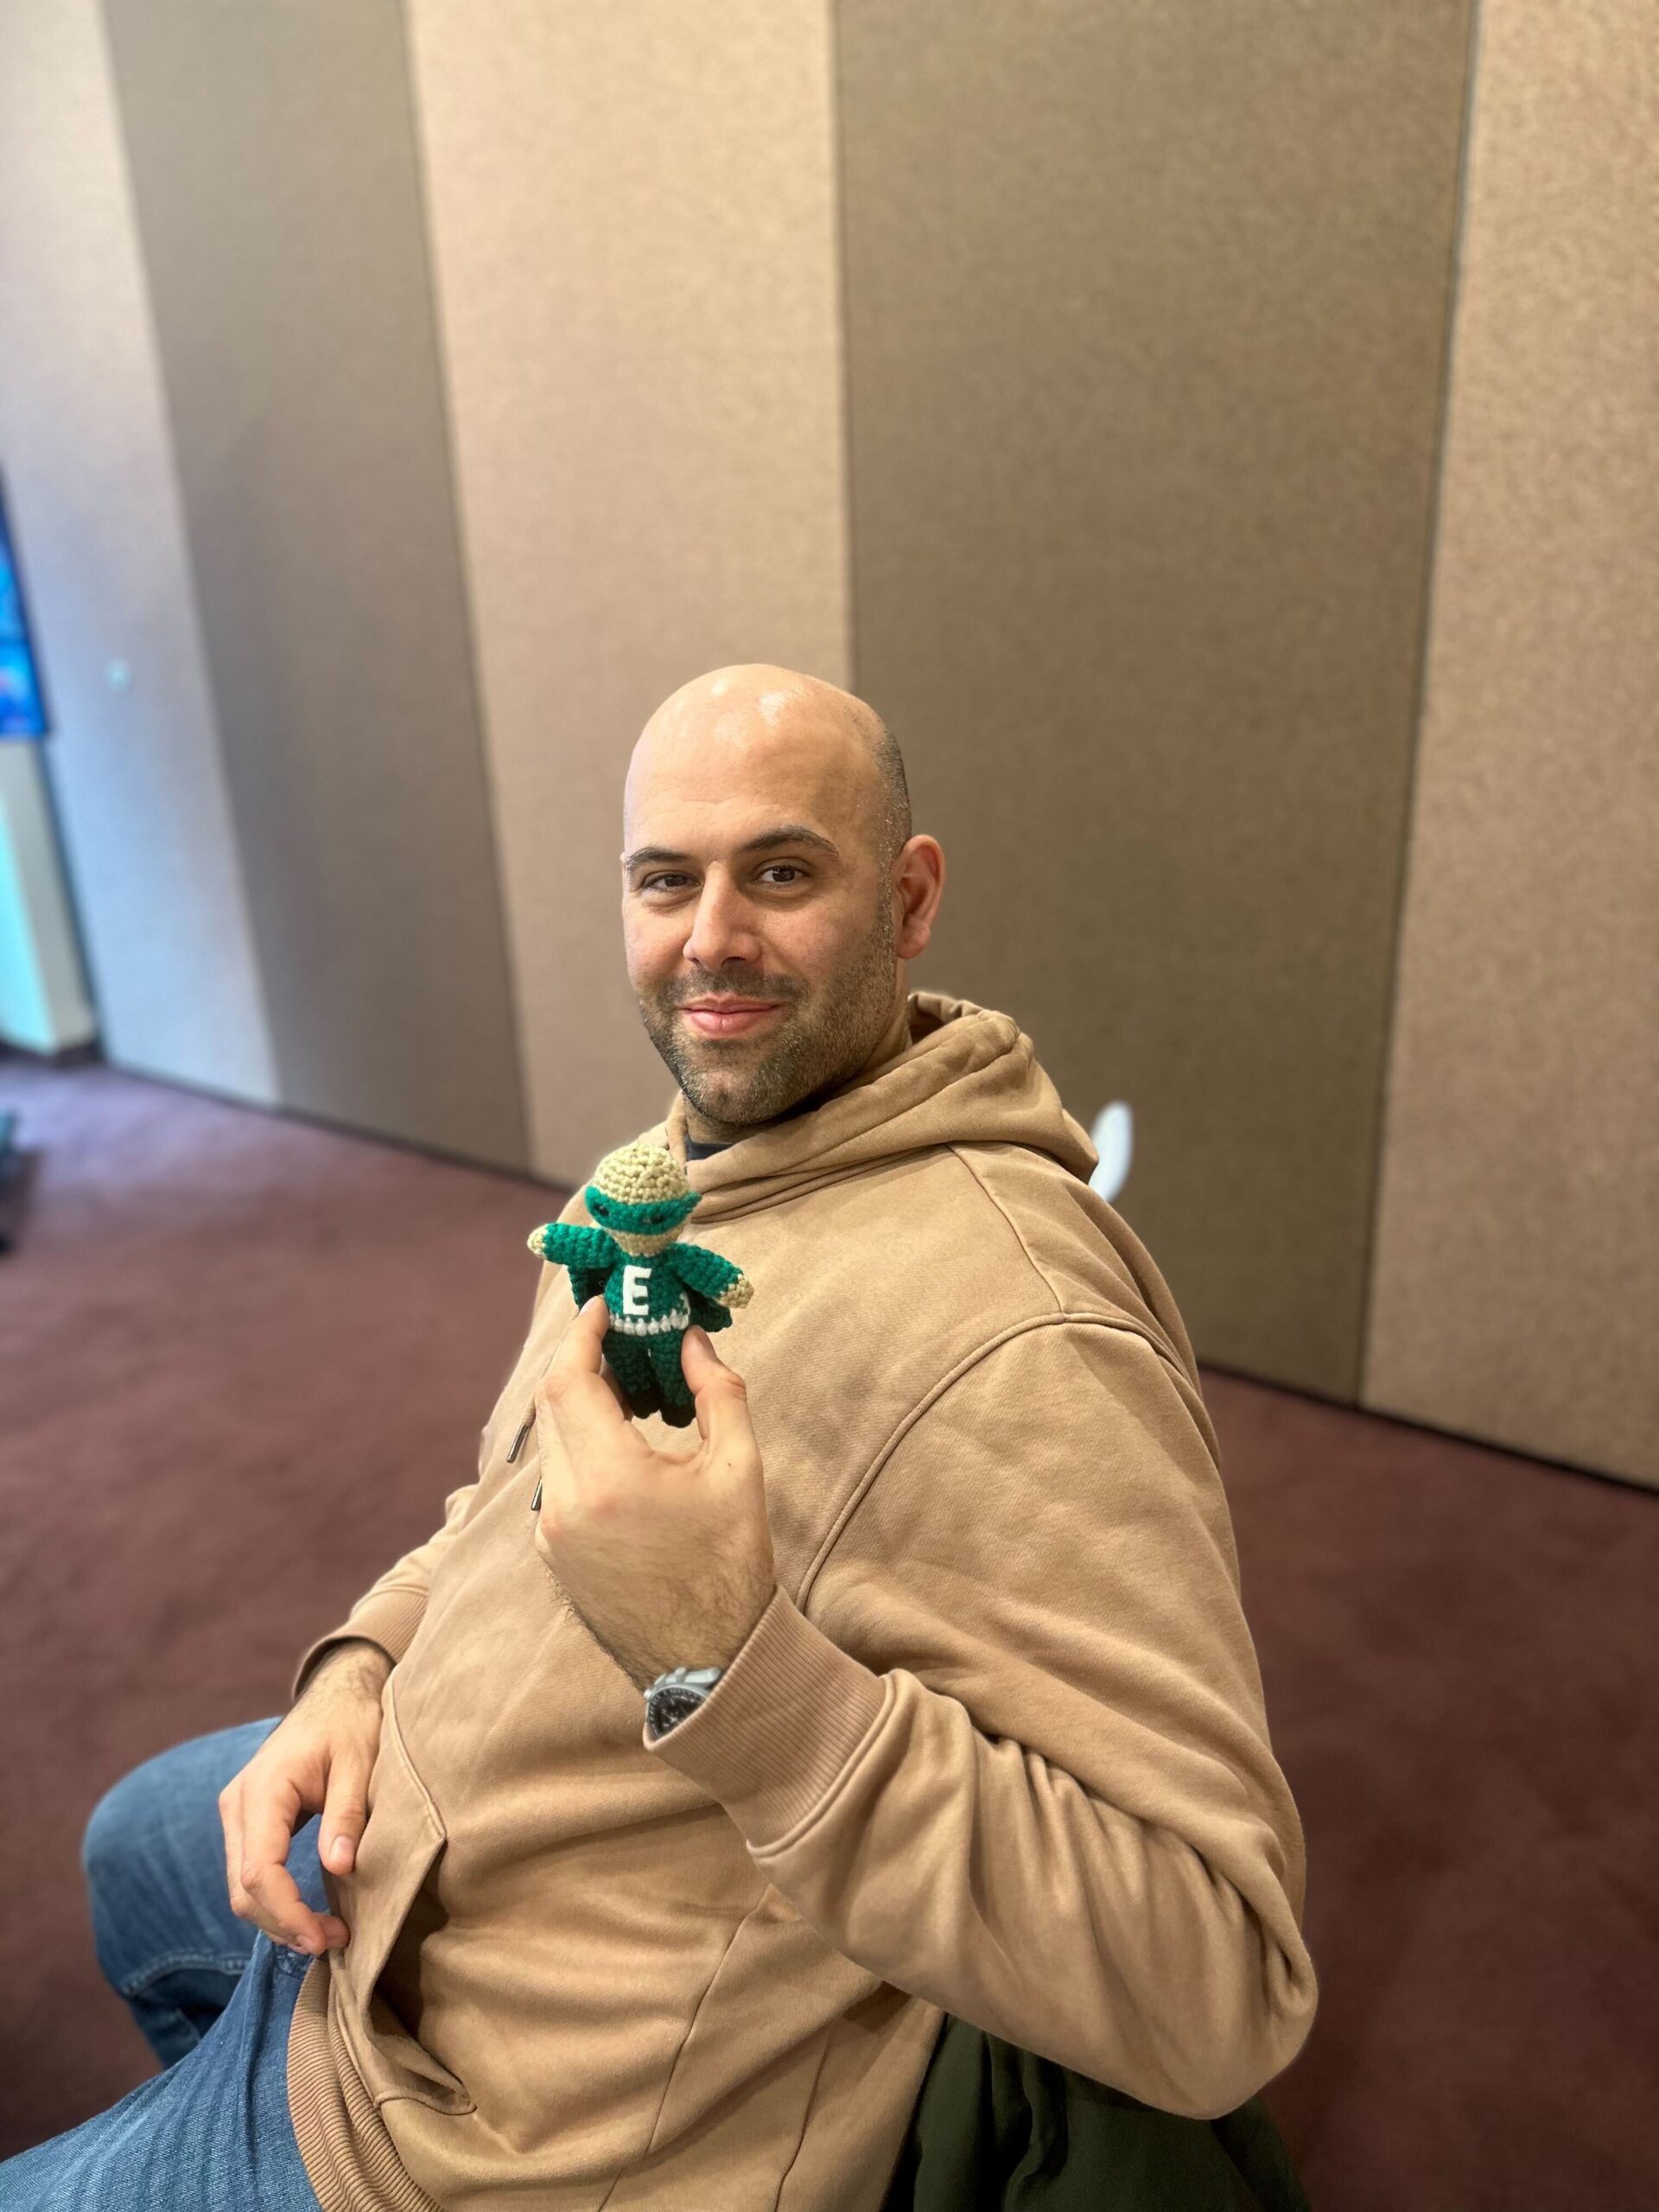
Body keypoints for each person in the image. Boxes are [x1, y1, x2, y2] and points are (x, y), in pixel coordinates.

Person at [1, 665, 1318, 2210]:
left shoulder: (1026, 1336)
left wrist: (723, 1659)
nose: (711, 938)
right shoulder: (660, 1182)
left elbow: (1219, 1985)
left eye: (781, 873)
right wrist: (362, 1664)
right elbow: (508, 1493)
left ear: (908, 900)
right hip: (416, 1847)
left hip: (503, 2115)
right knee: (133, 1847)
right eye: (664, 880)